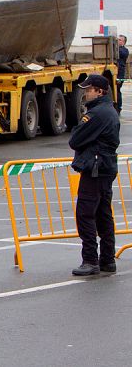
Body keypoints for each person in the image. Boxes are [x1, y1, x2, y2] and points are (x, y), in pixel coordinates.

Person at [69, 74, 120, 276]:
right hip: (105, 167)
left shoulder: (97, 114)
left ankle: (90, 260)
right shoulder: (109, 111)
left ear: (100, 91)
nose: (85, 93)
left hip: (96, 168)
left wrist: (78, 131)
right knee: (103, 214)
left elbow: (75, 139)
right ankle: (107, 259)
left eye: (88, 89)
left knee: (86, 213)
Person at [116, 35, 128, 114]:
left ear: (123, 42)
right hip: (116, 73)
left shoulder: (125, 50)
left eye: (120, 40)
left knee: (117, 90)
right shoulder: (117, 49)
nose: (118, 41)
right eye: (117, 39)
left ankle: (119, 108)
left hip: (120, 75)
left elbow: (121, 53)